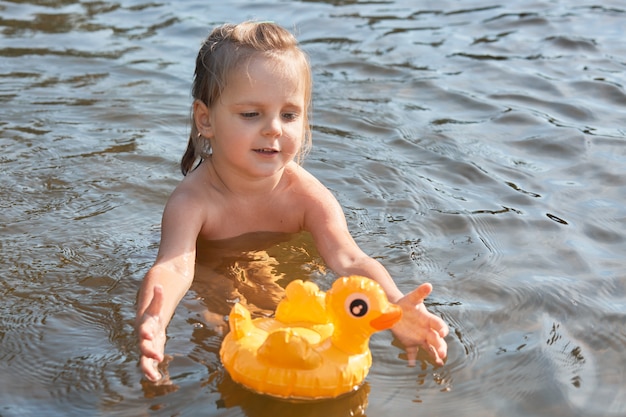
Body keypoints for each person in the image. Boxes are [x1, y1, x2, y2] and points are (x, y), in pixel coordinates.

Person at [135, 21, 449, 383]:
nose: (274, 129)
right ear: (206, 120)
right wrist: (153, 320)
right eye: (251, 114)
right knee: (210, 360)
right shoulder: (193, 201)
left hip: (290, 293)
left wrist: (395, 306)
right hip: (216, 289)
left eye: (289, 114)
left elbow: (349, 258)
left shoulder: (306, 196)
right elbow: (174, 268)